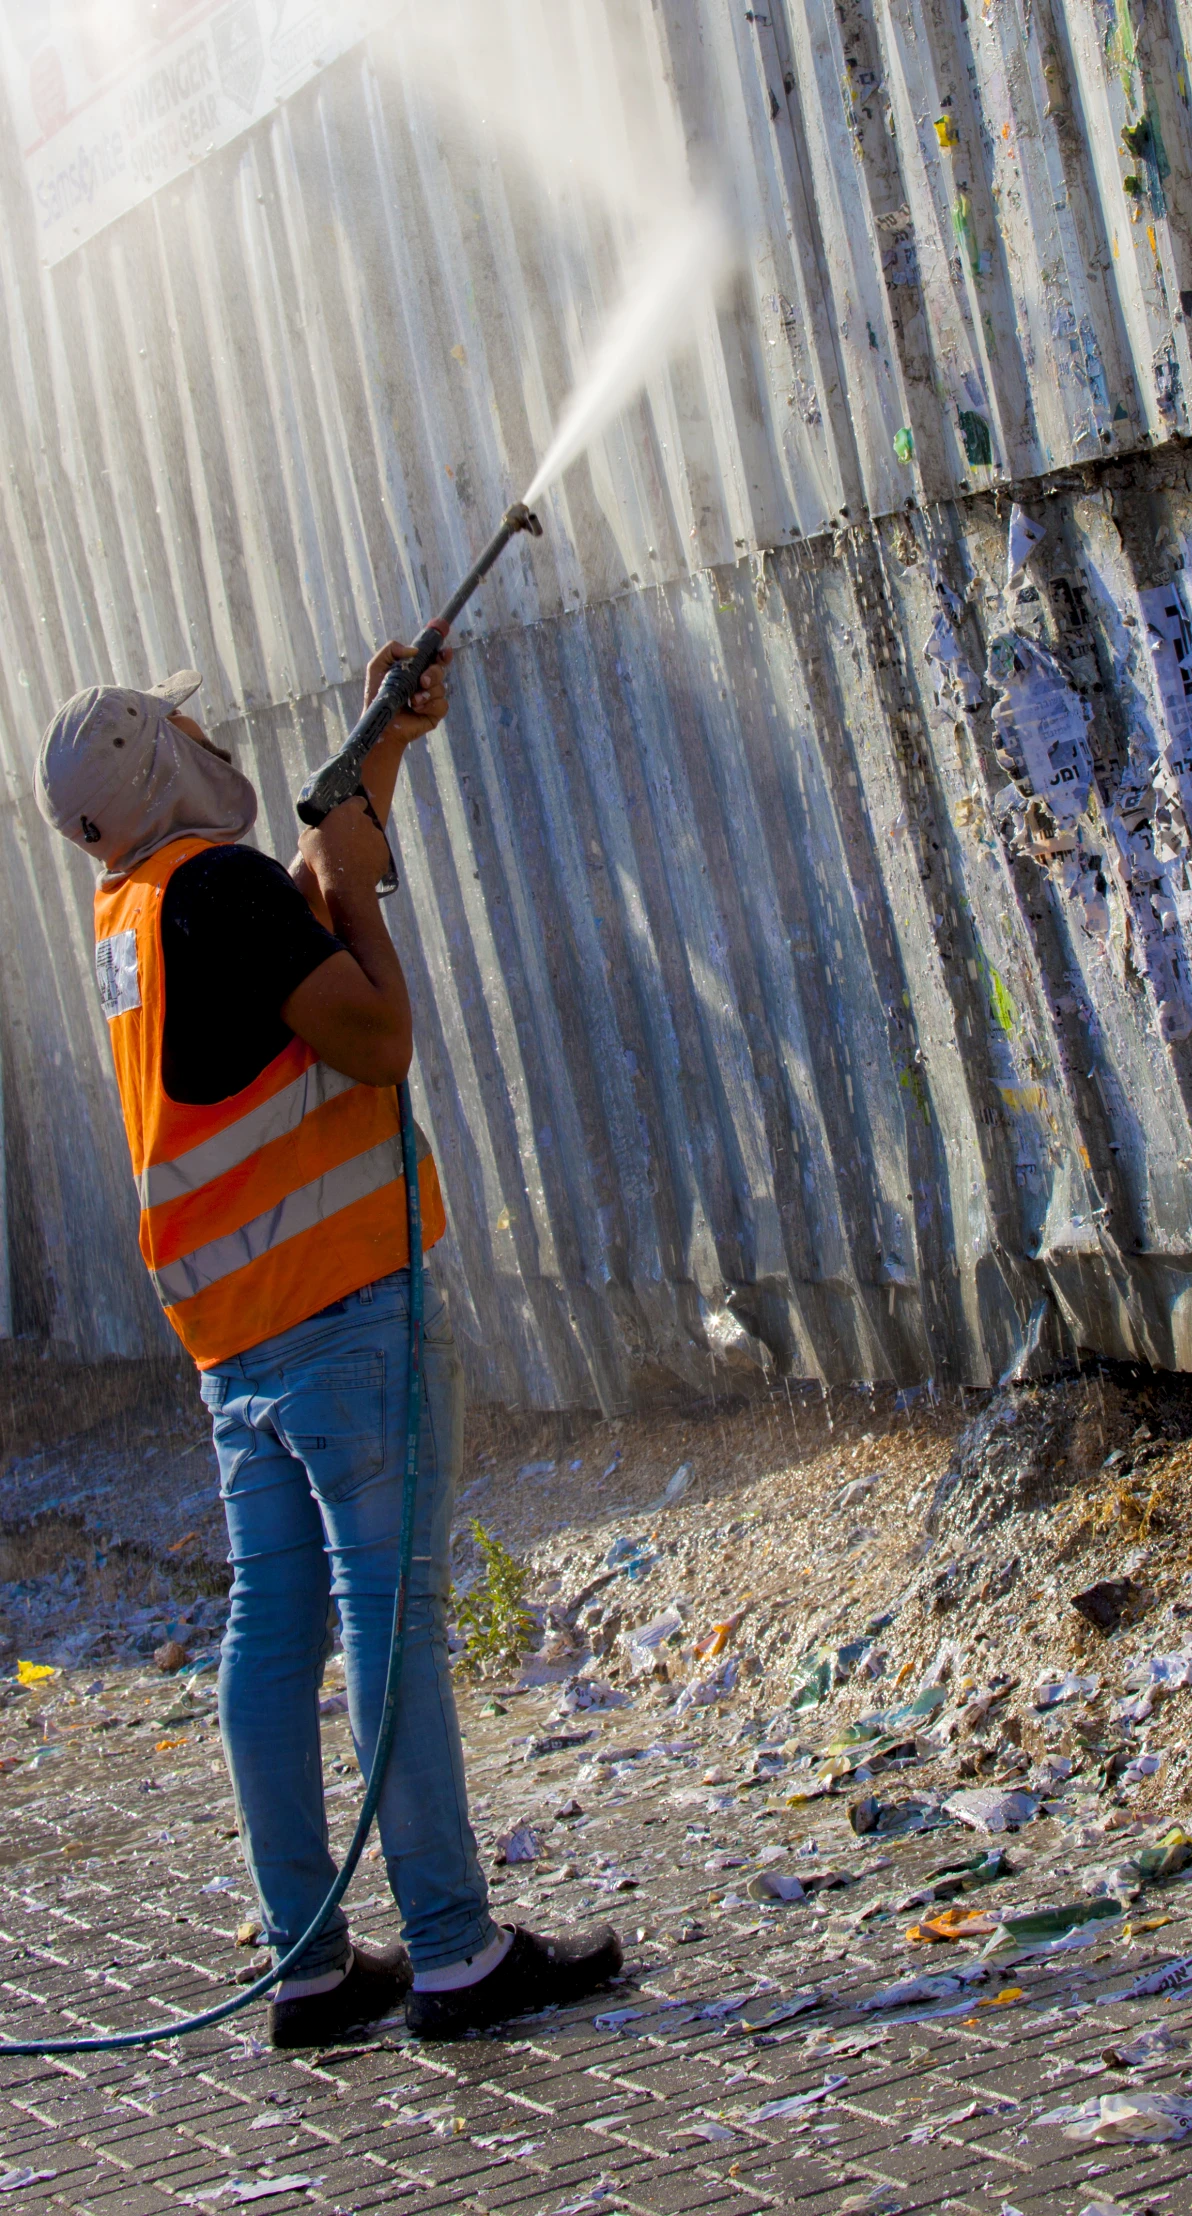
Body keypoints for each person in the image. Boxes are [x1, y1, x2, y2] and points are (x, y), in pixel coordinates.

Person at [35, 650, 621, 2047]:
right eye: (179, 721)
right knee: (391, 1620)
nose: (204, 725)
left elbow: (282, 933)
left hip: (236, 1342)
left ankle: (308, 1964)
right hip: (340, 1310)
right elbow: (372, 1037)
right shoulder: (219, 888)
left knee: (274, 1636)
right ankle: (456, 1954)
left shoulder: (136, 907)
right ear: (154, 758)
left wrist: (385, 749)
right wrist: (356, 886)